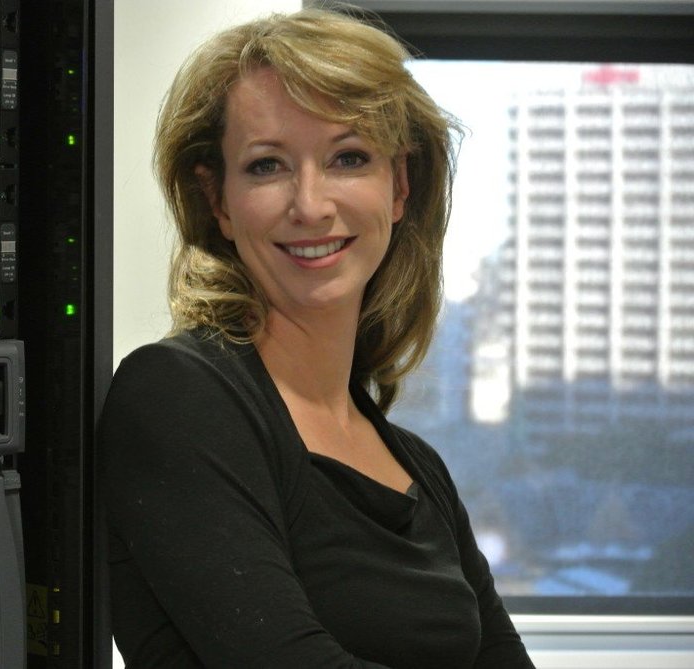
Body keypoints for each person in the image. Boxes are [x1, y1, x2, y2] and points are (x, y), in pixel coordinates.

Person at [99, 8, 536, 668]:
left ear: (399, 186)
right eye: (268, 165)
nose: (310, 205)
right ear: (218, 200)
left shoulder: (419, 468)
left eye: (348, 158)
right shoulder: (175, 397)